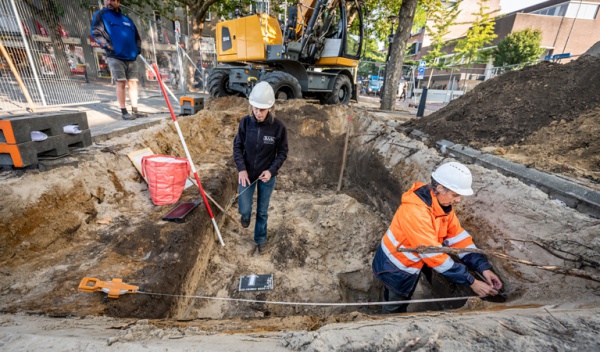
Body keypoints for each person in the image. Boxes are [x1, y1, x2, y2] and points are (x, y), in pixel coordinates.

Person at [372, 162, 503, 313]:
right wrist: (471, 281)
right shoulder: (415, 212)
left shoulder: (442, 207)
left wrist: (483, 267)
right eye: (455, 195)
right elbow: (433, 254)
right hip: (395, 267)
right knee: (395, 306)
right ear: (440, 188)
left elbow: (458, 238)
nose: (458, 200)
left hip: (410, 263)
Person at [233, 82, 288, 254]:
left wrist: (271, 171)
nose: (258, 113)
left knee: (262, 211)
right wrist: (241, 169)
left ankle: (260, 239)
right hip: (247, 173)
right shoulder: (245, 123)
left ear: (270, 107)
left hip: (267, 176)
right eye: (255, 108)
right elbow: (237, 147)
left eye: (262, 109)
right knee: (244, 208)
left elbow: (283, 152)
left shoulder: (278, 128)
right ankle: (246, 215)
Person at [91, 0, 146, 120]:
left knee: (133, 83)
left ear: (118, 2)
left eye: (113, 0)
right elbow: (96, 32)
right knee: (121, 82)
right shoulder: (101, 15)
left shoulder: (127, 19)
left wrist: (137, 50)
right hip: (115, 56)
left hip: (130, 56)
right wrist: (109, 46)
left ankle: (135, 110)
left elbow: (137, 37)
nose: (109, 2)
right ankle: (124, 111)